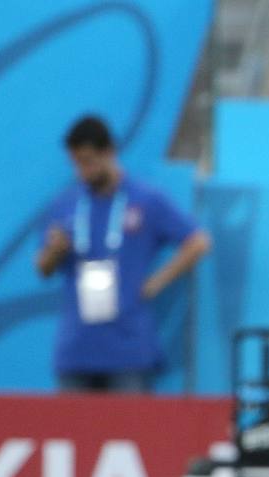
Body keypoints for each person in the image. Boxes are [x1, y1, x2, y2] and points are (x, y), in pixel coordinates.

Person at [36, 115, 210, 392]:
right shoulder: (66, 204)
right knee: (71, 432)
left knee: (130, 430)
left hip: (128, 347)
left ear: (109, 153)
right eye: (76, 163)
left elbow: (198, 241)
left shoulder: (145, 199)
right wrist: (54, 251)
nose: (82, 171)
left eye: (88, 161)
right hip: (76, 348)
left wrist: (154, 283)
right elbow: (43, 269)